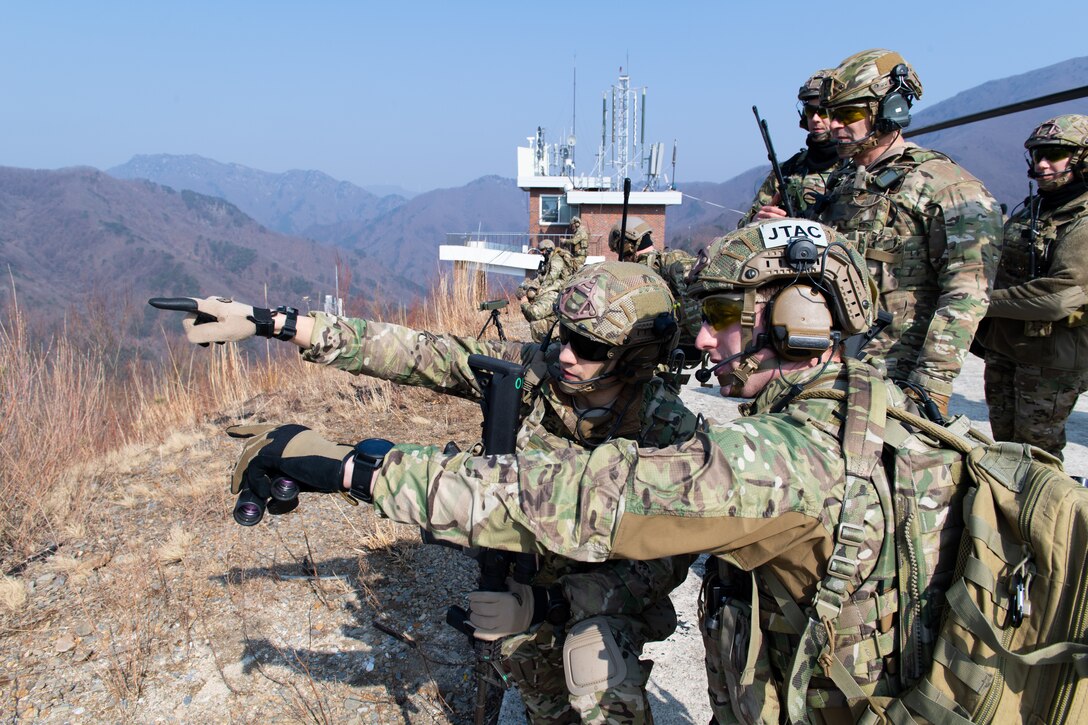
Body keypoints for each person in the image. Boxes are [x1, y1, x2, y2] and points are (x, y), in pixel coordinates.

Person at [226, 219, 977, 724]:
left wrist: (355, 469)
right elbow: (429, 355)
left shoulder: (771, 457)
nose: (708, 338)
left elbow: (588, 506)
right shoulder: (841, 412)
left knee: (589, 660)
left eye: (724, 313)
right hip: (758, 664)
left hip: (596, 593)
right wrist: (290, 326)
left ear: (801, 316)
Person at [159, 262, 698, 724]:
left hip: (595, 594)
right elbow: (416, 352)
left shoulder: (668, 433)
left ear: (633, 357)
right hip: (518, 574)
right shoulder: (534, 371)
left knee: (598, 671)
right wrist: (274, 323)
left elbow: (663, 566)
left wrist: (549, 604)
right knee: (538, 692)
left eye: (588, 346)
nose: (565, 354)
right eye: (562, 334)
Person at [755, 49, 1003, 414]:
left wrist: (930, 386)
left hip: (896, 377)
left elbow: (966, 295)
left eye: (849, 114)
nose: (834, 125)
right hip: (829, 364)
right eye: (829, 114)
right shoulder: (841, 184)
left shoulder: (946, 188)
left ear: (890, 112)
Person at [981, 114, 1088, 459]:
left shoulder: (1082, 220)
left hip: (1050, 357)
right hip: (1007, 346)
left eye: (1053, 154)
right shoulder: (1035, 207)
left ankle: (1045, 513)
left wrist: (981, 301)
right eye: (1037, 154)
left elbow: (1059, 296)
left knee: (1036, 453)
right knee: (1003, 448)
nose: (1042, 164)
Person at [738, 69, 839, 226]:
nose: (816, 119)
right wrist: (756, 220)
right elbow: (744, 224)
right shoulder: (788, 170)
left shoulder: (857, 170)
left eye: (823, 112)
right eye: (810, 111)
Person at [608, 217, 702, 369]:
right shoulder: (676, 259)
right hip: (690, 348)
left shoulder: (639, 272)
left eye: (618, 249)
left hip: (656, 352)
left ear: (626, 245)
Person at [519, 239, 576, 343]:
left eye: (543, 250)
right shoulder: (549, 260)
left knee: (536, 313)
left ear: (549, 249)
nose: (542, 253)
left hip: (558, 287)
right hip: (554, 286)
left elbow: (552, 276)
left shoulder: (556, 259)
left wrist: (541, 289)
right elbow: (544, 277)